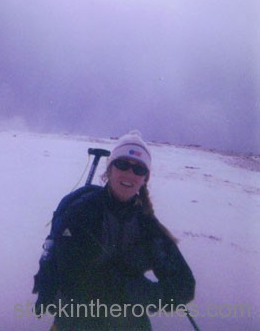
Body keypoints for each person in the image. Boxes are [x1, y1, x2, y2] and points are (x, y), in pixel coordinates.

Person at [33, 130, 195, 330]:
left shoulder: (147, 226)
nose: (129, 174)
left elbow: (185, 285)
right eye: (122, 164)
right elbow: (70, 278)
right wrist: (122, 290)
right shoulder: (82, 212)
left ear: (146, 178)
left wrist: (145, 294)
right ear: (109, 170)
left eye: (139, 169)